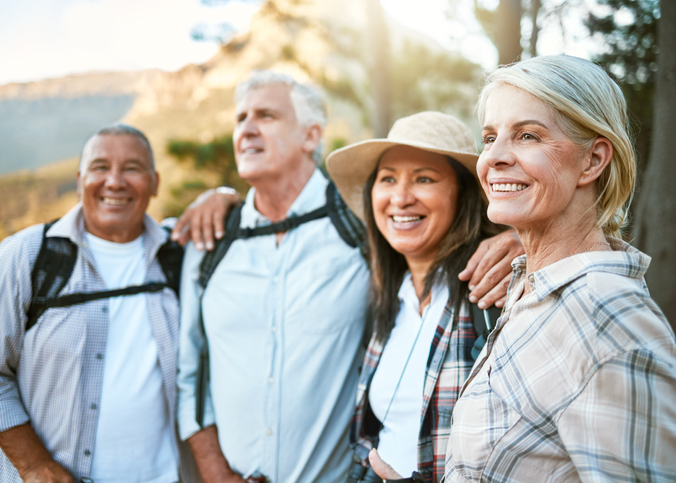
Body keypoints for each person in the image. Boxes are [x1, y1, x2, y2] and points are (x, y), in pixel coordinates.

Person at [175, 71, 523, 483]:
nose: (247, 129)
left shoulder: (485, 284)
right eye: (240, 118)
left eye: (266, 116)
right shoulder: (209, 241)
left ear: (311, 136)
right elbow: (189, 375)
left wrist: (521, 237)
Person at [445, 55, 676, 482]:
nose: (493, 157)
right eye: (490, 137)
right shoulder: (529, 290)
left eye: (527, 135)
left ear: (592, 161)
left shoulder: (610, 321)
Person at [0, 124, 197, 483]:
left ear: (155, 182)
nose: (115, 182)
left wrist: (222, 194)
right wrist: (34, 465)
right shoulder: (25, 257)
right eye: (101, 167)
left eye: (131, 168)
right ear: (79, 178)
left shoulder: (183, 255)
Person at [325, 111, 503, 483]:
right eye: (388, 179)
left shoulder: (496, 292)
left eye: (424, 178)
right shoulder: (389, 300)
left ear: (464, 193)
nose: (401, 198)